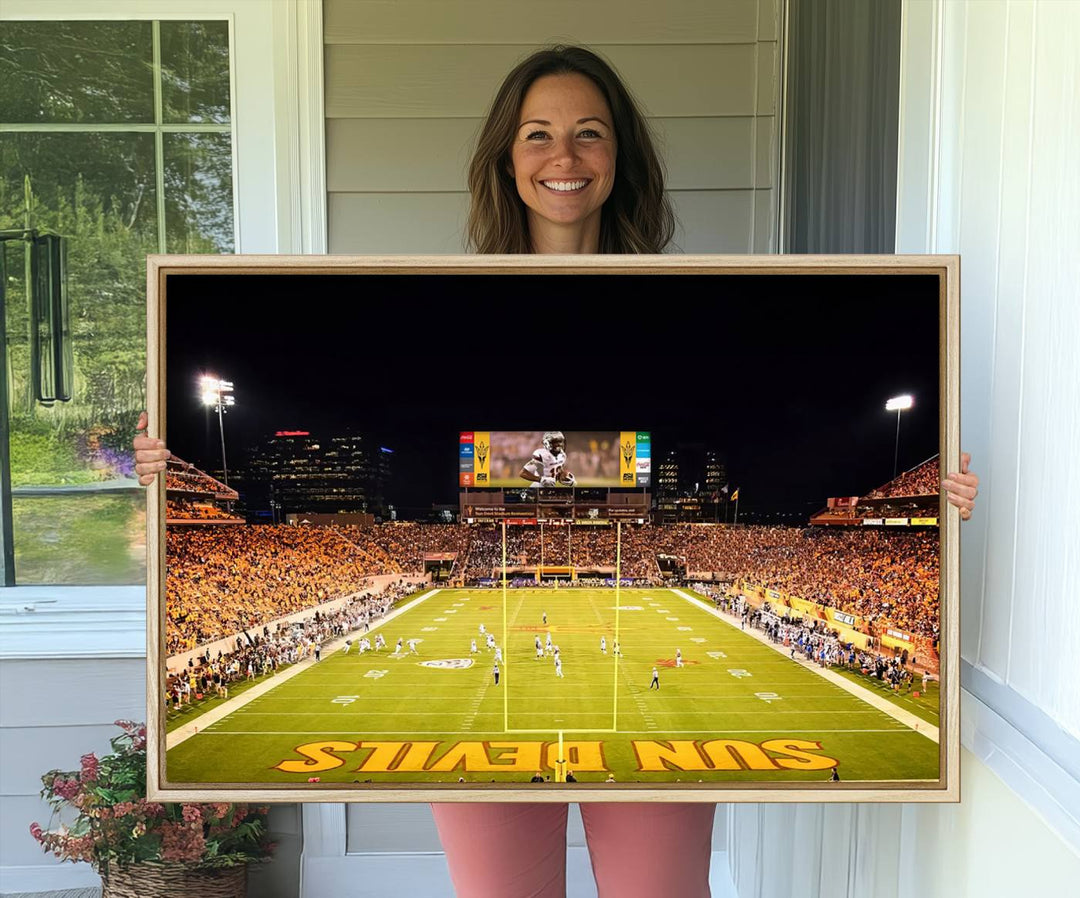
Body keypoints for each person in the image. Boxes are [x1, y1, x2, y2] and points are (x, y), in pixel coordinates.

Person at [133, 43, 981, 898]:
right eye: (537, 134)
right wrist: (162, 464)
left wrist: (931, 510)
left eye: (589, 133)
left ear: (621, 157)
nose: (563, 157)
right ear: (506, 157)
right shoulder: (449, 304)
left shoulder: (680, 304)